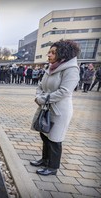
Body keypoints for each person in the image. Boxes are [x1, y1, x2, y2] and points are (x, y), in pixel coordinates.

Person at [31, 40, 80, 176]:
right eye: (49, 52)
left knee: (55, 139)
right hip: (46, 108)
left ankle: (52, 167)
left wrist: (42, 99)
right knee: (44, 134)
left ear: (63, 54)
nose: (49, 55)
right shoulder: (51, 67)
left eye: (53, 52)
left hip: (60, 111)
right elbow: (41, 86)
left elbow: (64, 92)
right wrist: (38, 96)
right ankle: (45, 160)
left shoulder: (71, 69)